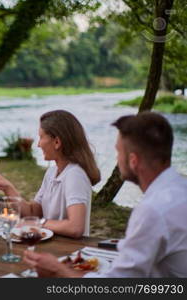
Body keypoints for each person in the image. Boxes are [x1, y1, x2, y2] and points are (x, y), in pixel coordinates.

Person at [24, 112, 187, 277]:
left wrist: (58, 270)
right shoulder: (178, 190)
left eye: (118, 152)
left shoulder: (152, 211)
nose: (117, 158)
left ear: (133, 161)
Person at [0, 110, 100, 238]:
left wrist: (38, 224)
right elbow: (33, 212)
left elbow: (75, 227)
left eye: (41, 137)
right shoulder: (52, 172)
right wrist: (7, 187)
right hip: (51, 245)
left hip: (69, 250)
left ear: (57, 142)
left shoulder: (75, 175)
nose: (38, 144)